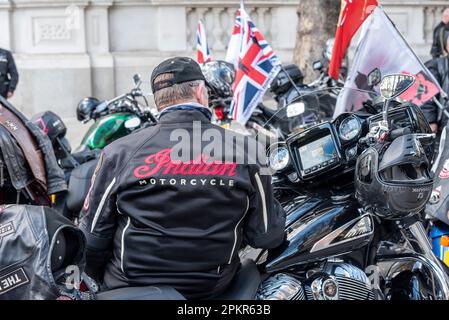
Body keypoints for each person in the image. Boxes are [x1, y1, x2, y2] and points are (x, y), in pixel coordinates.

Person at [80, 57, 286, 300]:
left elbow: (92, 240)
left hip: (128, 287)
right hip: (212, 290)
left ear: (159, 102)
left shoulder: (119, 152)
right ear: (201, 92)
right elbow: (267, 235)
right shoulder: (250, 150)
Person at [423, 34, 449, 133]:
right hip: (444, 126)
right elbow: (427, 94)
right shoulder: (436, 65)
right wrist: (431, 120)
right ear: (447, 47)